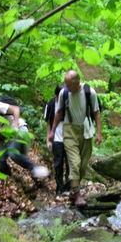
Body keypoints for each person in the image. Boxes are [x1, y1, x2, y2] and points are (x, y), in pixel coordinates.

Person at [47, 70, 102, 207]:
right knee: (74, 163)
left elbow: (96, 113)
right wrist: (52, 131)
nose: (66, 87)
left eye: (68, 84)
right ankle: (77, 194)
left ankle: (73, 188)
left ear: (77, 82)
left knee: (82, 166)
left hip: (86, 131)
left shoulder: (90, 92)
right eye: (65, 84)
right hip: (69, 130)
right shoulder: (64, 93)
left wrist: (99, 133)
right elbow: (59, 112)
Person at [0, 92, 49, 180]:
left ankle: (36, 168)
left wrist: (15, 125)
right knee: (0, 159)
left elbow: (16, 109)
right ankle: (8, 179)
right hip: (6, 136)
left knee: (13, 154)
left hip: (19, 130)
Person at [44, 85, 69, 194]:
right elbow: (49, 124)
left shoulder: (69, 103)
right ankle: (60, 188)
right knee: (58, 164)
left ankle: (68, 186)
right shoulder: (50, 104)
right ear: (56, 95)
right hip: (56, 138)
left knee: (70, 164)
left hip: (69, 138)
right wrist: (48, 140)